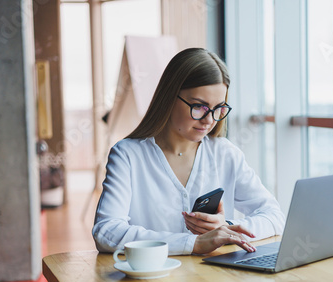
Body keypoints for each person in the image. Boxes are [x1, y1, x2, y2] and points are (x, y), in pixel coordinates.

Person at [92, 48, 285, 255]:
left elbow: (275, 216)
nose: (209, 120)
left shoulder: (226, 154)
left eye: (218, 108)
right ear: (169, 98)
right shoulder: (127, 155)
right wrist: (193, 243)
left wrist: (224, 229)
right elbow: (107, 232)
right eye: (199, 106)